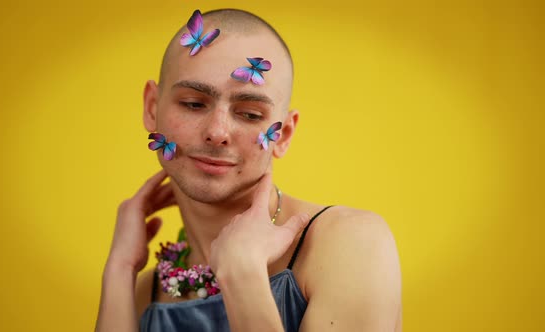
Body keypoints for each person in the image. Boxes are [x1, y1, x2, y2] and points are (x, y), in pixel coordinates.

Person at [95, 8, 401, 332]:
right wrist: (120, 270)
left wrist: (243, 274)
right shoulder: (147, 293)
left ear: (283, 135)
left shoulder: (348, 244)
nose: (217, 131)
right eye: (194, 104)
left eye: (250, 114)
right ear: (151, 107)